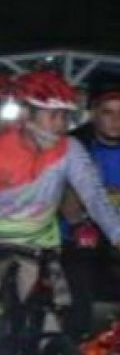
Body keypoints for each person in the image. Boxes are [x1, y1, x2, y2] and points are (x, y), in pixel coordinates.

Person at [0, 69, 120, 355]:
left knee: (53, 326)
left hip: (39, 247)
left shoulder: (70, 150)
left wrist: (117, 233)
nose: (60, 125)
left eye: (65, 117)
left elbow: (95, 196)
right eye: (52, 116)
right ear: (27, 114)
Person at [61, 71, 120, 337]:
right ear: (93, 112)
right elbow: (68, 204)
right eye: (108, 112)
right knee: (81, 305)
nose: (117, 121)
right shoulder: (75, 146)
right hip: (78, 239)